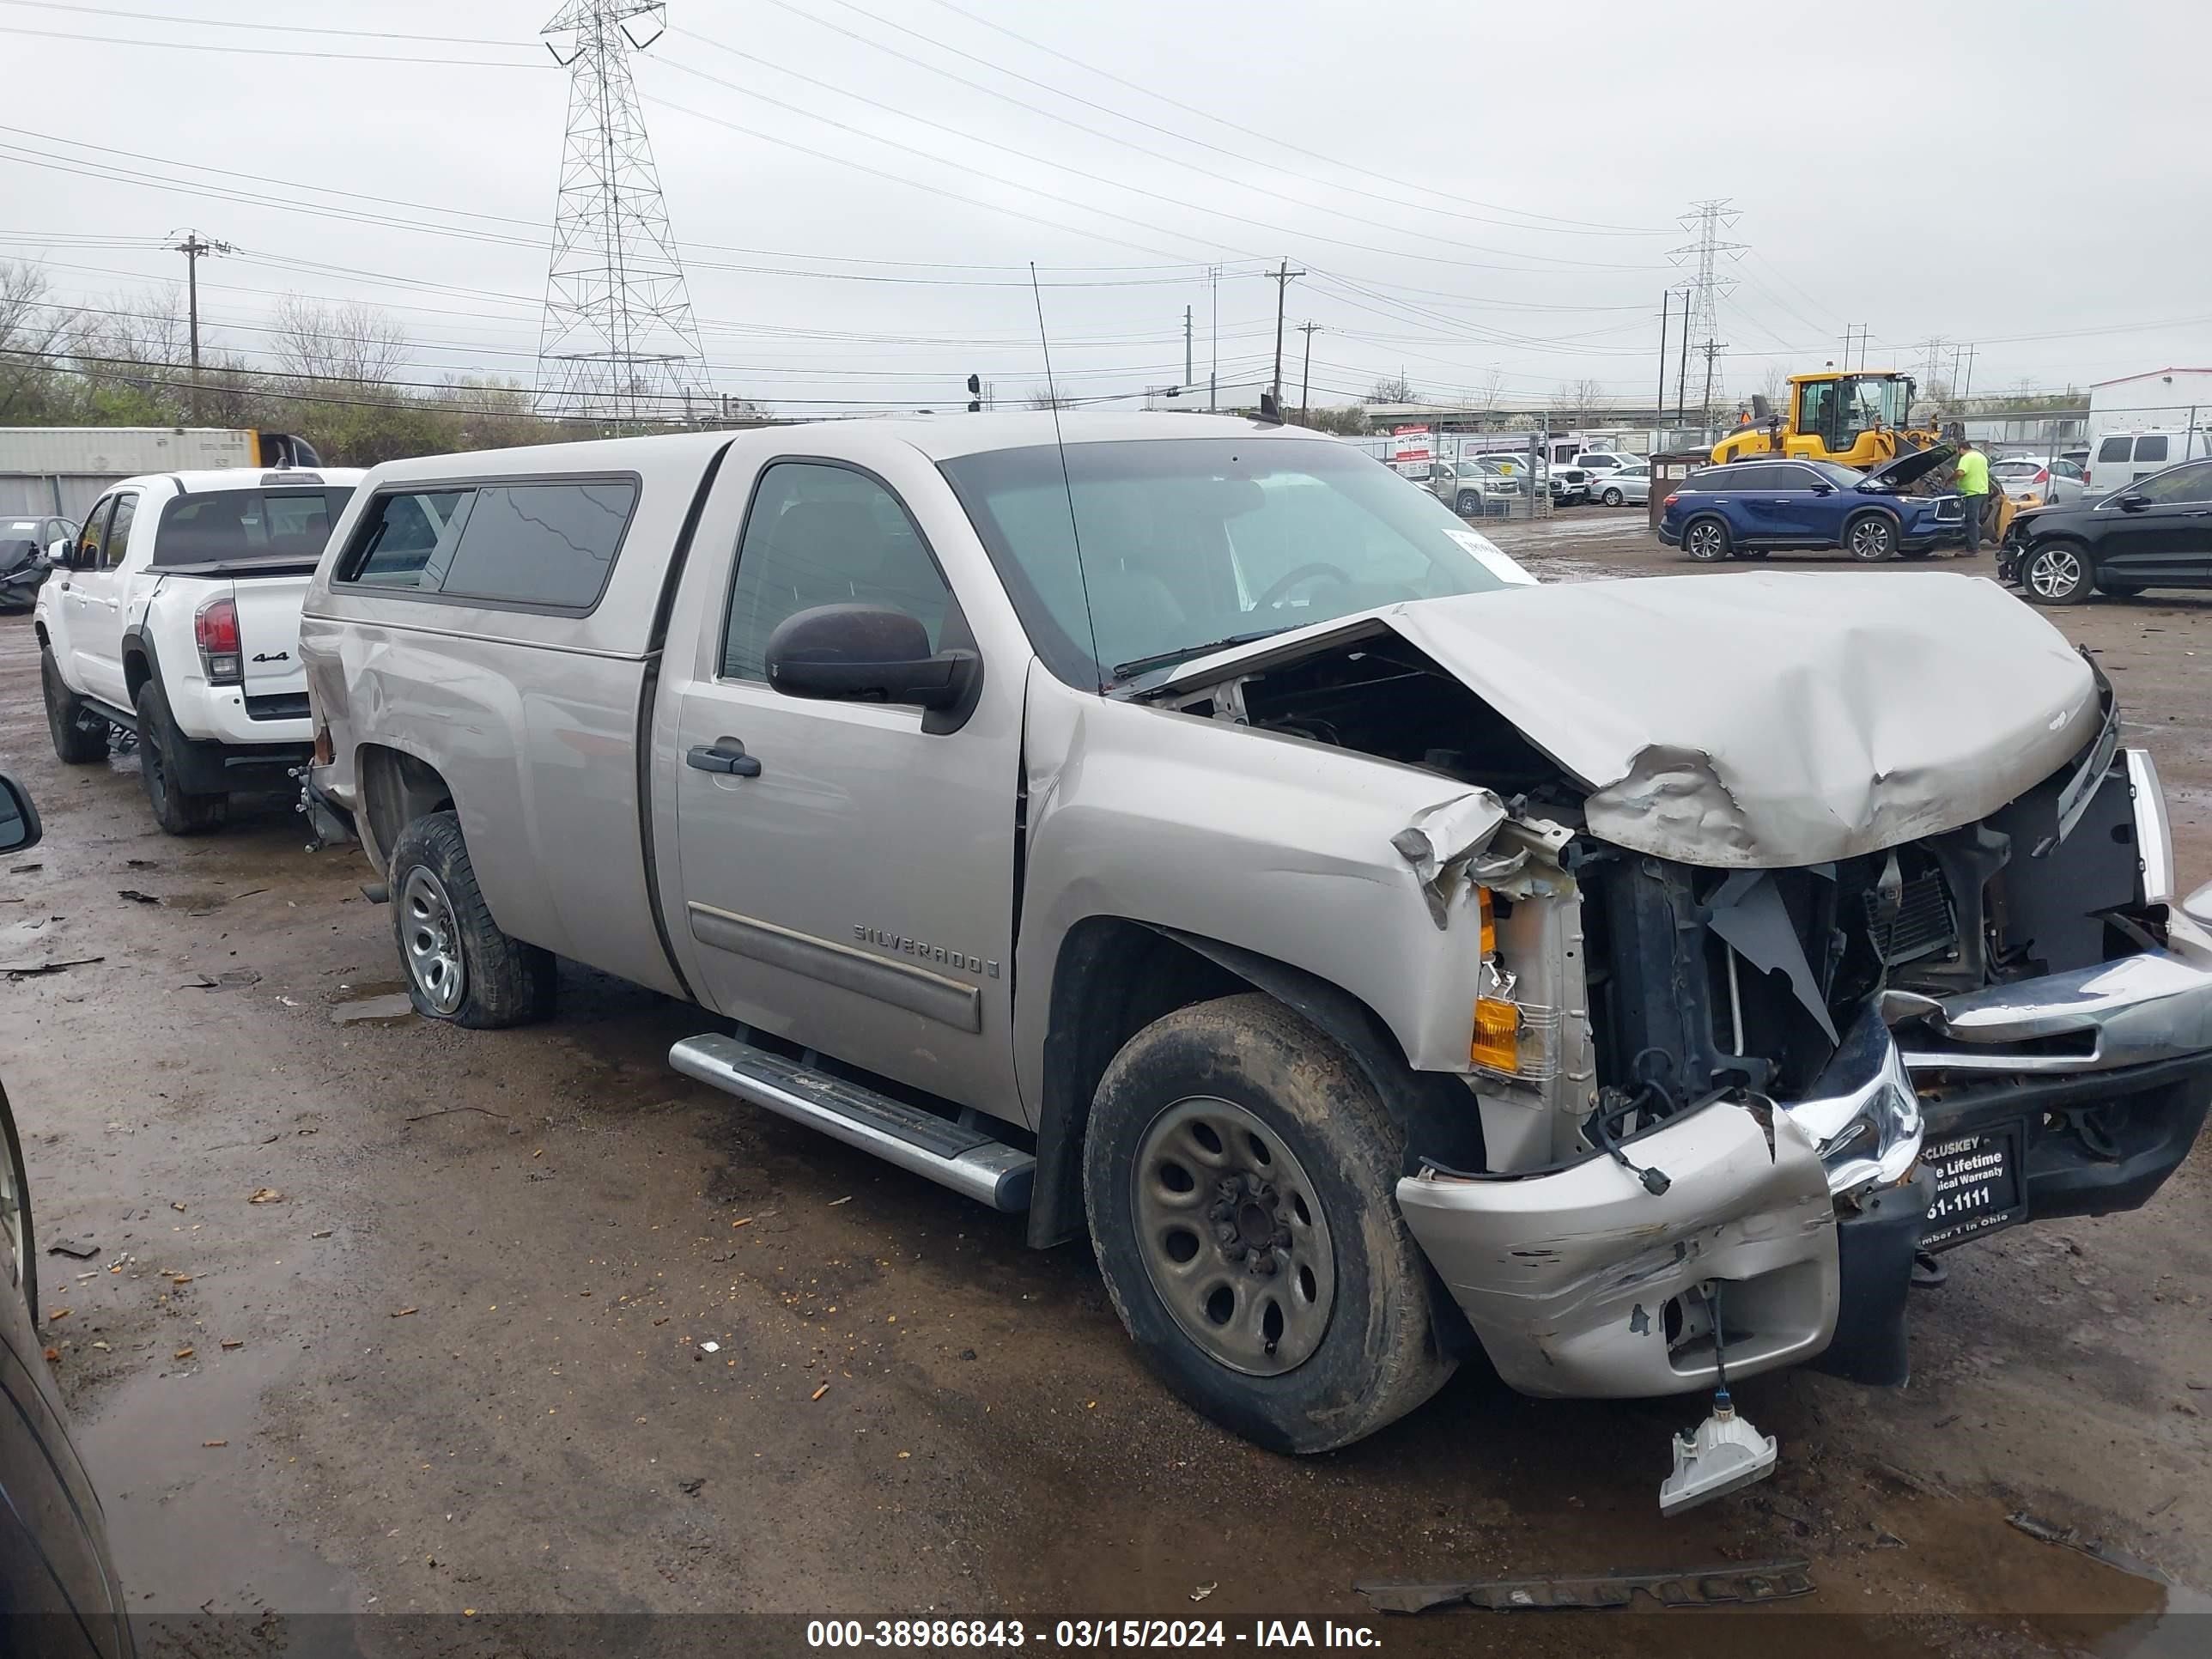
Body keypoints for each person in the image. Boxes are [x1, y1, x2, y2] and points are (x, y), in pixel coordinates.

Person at [1954, 437, 1990, 556]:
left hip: (1972, 492)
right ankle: (1973, 544)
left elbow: (1961, 472)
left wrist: (1949, 480)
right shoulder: (1981, 457)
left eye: (1958, 451)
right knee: (1974, 519)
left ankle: (1973, 548)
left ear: (1961, 449)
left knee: (1971, 520)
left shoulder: (1966, 458)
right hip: (1982, 491)